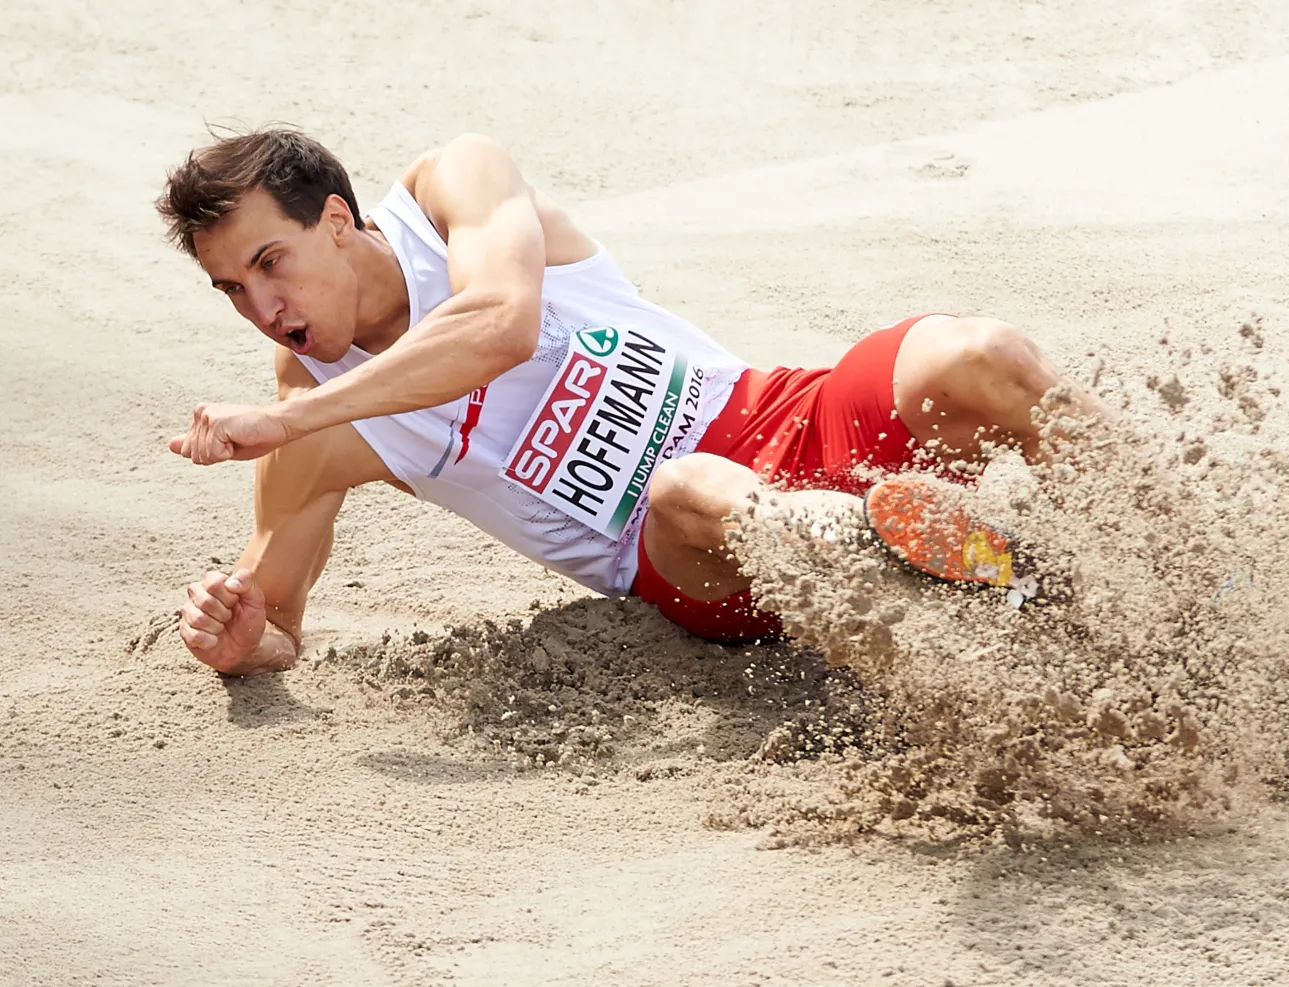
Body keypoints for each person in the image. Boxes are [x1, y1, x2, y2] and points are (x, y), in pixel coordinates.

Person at [159, 127, 1095, 677]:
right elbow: (275, 616)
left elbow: (498, 325)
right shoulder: (313, 419)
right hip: (694, 556)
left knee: (983, 354)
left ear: (334, 220)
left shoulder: (453, 188)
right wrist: (243, 641)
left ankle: (1176, 558)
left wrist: (292, 417)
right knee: (688, 483)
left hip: (784, 412)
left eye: (268, 264)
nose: (260, 308)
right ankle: (909, 566)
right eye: (232, 290)